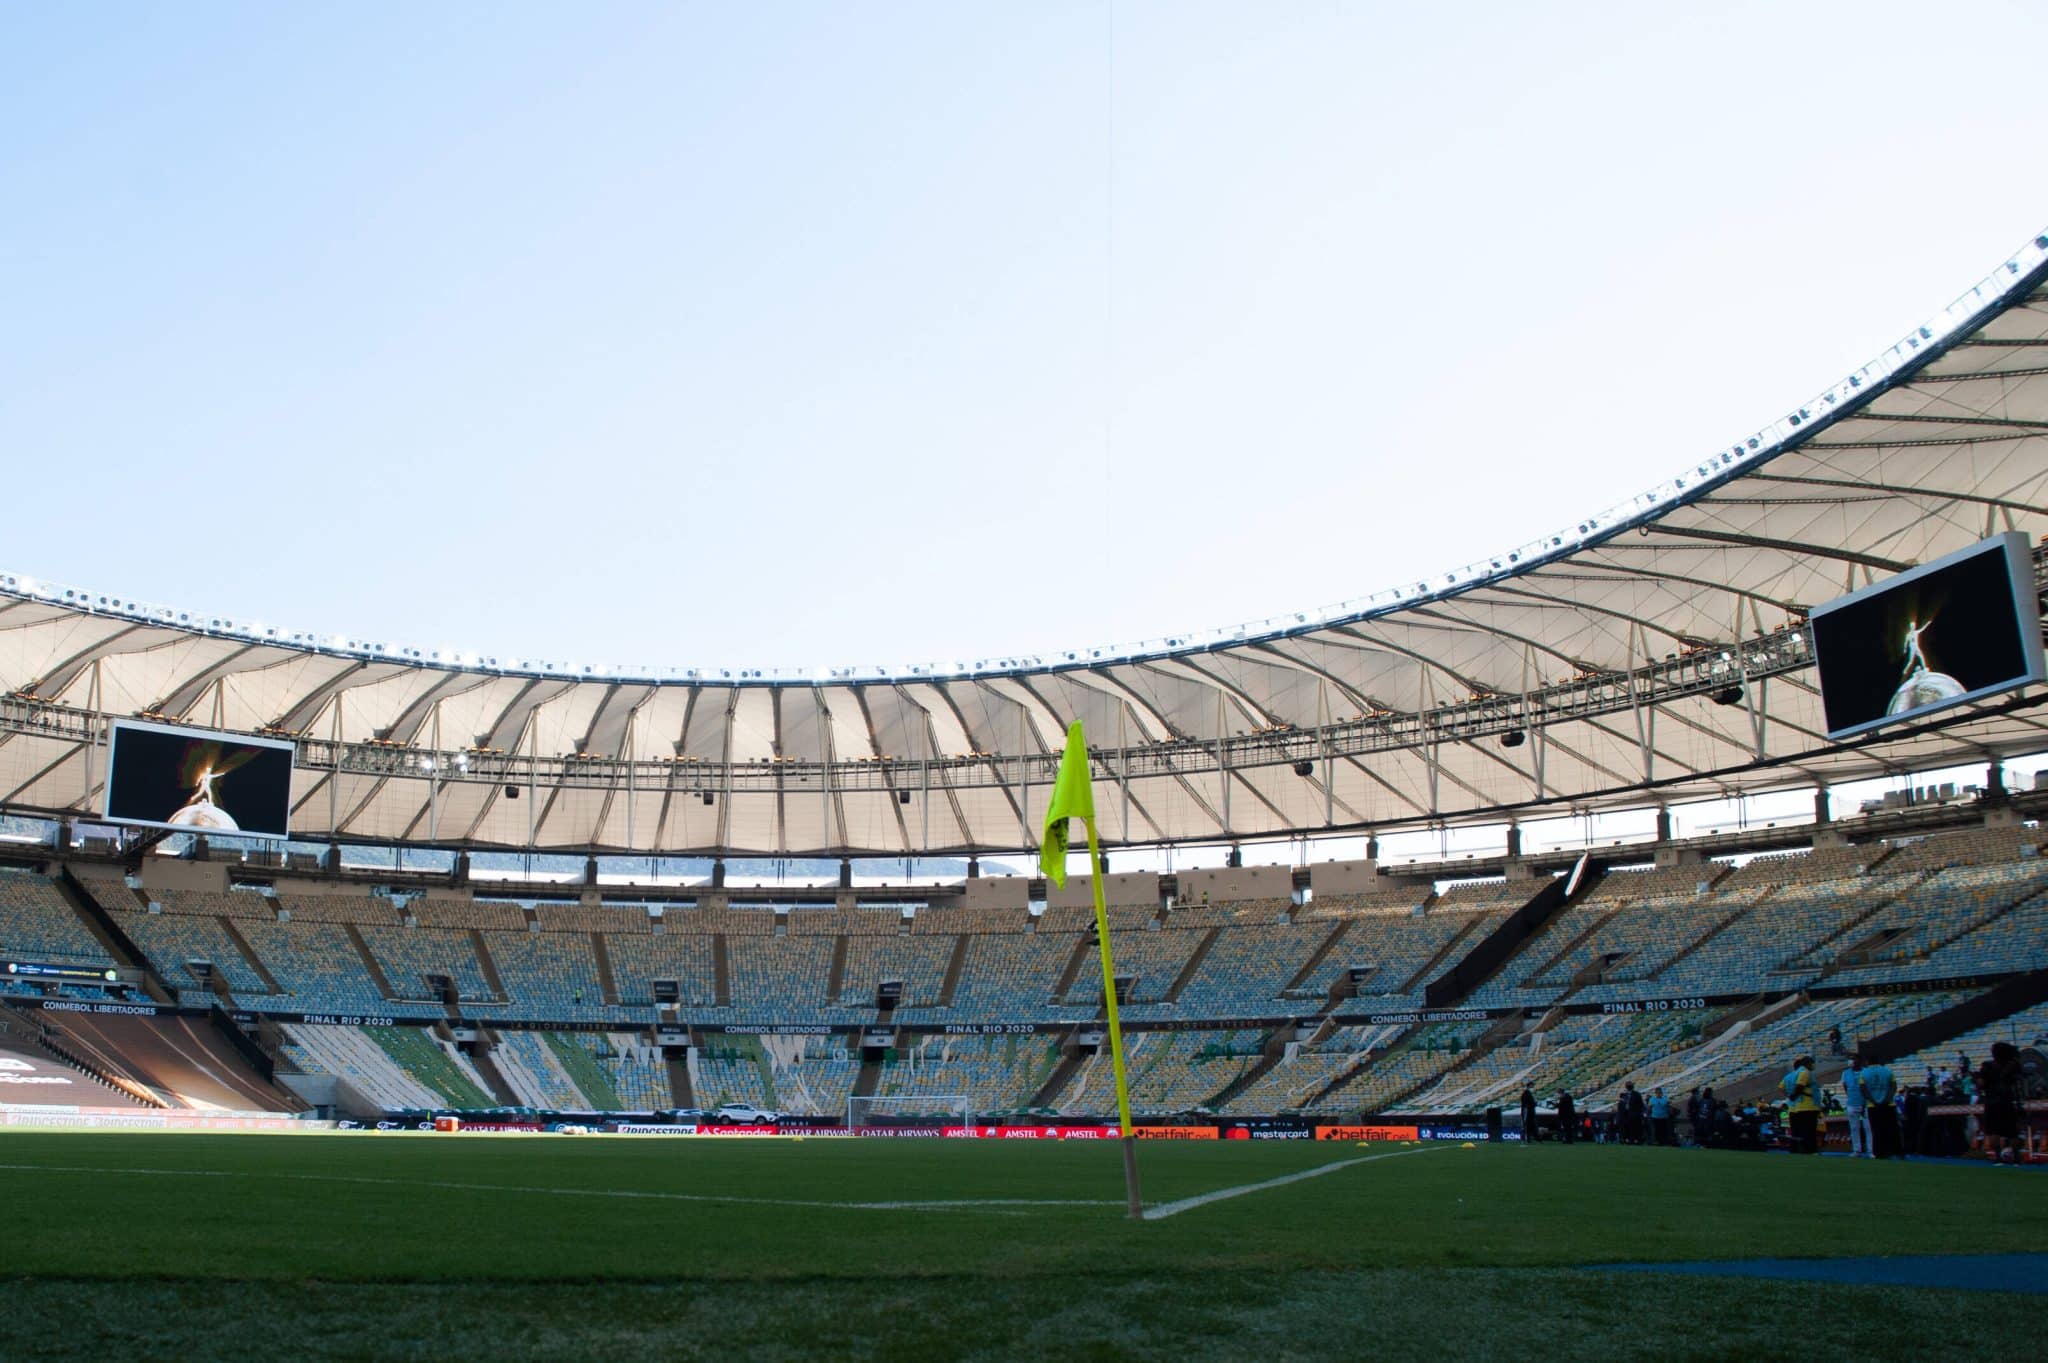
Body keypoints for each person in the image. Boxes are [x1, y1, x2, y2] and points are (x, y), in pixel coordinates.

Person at [1977, 1042, 2026, 1165]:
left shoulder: (1987, 1066)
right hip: (2008, 1100)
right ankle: (2017, 1158)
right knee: (2013, 1131)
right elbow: (2020, 1081)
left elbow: (1981, 1084)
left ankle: (1998, 1158)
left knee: (1994, 1131)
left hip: (1992, 1101)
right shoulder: (2013, 1065)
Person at [1860, 1052, 1899, 1159]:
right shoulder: (1887, 1070)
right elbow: (1893, 1086)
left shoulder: (1864, 1072)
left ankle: (1879, 1152)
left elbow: (1863, 1090)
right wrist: (1887, 1099)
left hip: (1873, 1106)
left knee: (1876, 1130)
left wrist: (1873, 1101)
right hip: (1888, 1104)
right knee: (1891, 1129)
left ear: (1868, 1062)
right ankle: (1894, 1151)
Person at [1782, 1054, 1822, 1154]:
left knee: (1796, 1131)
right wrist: (1793, 1096)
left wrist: (1789, 1096)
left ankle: (1796, 1150)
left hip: (1794, 1107)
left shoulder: (1789, 1076)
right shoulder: (1805, 1072)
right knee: (1809, 1130)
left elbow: (1781, 1087)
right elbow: (1800, 1086)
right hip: (1808, 1105)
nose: (1813, 1065)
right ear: (1807, 1063)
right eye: (1812, 1063)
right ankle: (1810, 1150)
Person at [1842, 1055, 1868, 1159]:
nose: (1852, 1061)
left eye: (1854, 1059)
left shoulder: (1866, 1072)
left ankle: (1871, 1150)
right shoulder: (1845, 1073)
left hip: (1866, 1103)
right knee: (1854, 1128)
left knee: (1868, 1128)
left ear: (1860, 1061)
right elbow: (1845, 1086)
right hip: (1852, 1102)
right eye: (1851, 1059)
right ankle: (1856, 1150)